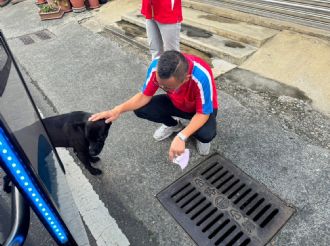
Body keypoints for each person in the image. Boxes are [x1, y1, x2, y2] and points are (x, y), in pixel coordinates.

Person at [89, 51, 218, 160]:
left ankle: (195, 135)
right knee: (140, 109)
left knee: (206, 134)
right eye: (160, 84)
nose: (161, 87)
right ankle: (174, 125)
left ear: (185, 79)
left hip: (200, 109)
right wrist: (117, 110)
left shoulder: (201, 76)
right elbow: (144, 95)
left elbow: (203, 113)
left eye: (167, 87)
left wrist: (182, 137)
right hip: (177, 103)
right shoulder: (157, 67)